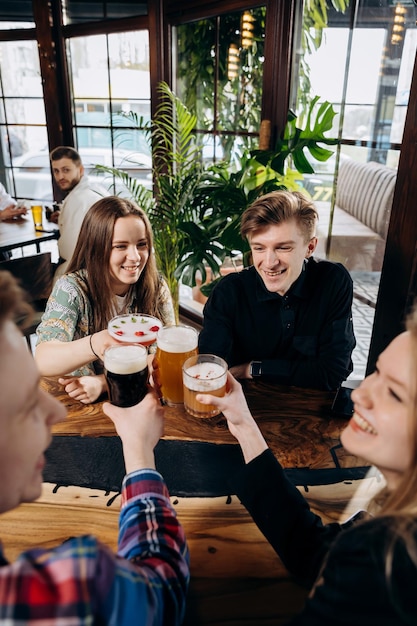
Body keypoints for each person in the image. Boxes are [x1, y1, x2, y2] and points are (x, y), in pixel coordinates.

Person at [195, 305, 417, 624]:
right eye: (377, 373)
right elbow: (313, 552)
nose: (360, 395)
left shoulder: (382, 562)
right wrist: (244, 423)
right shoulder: (382, 531)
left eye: (394, 394)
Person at [0, 270, 189, 624]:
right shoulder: (81, 580)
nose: (53, 411)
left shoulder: (154, 285)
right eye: (23, 398)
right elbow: (163, 587)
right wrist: (138, 453)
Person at [198, 190, 356, 391]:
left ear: (310, 247)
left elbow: (332, 373)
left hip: (313, 409)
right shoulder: (229, 292)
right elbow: (213, 372)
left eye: (283, 248)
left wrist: (252, 369)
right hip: (243, 404)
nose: (270, 263)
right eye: (259, 248)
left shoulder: (333, 282)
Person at [35, 196, 175, 404]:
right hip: (85, 407)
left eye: (142, 244)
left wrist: (103, 382)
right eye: (120, 246)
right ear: (97, 247)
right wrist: (96, 343)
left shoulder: (156, 287)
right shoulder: (72, 288)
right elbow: (43, 360)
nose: (135, 256)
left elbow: (166, 358)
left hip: (141, 399)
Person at [49, 146, 110, 281]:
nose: (60, 177)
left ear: (80, 170)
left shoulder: (77, 200)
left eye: (66, 170)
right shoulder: (95, 190)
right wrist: (63, 217)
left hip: (87, 271)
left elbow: (69, 250)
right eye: (56, 171)